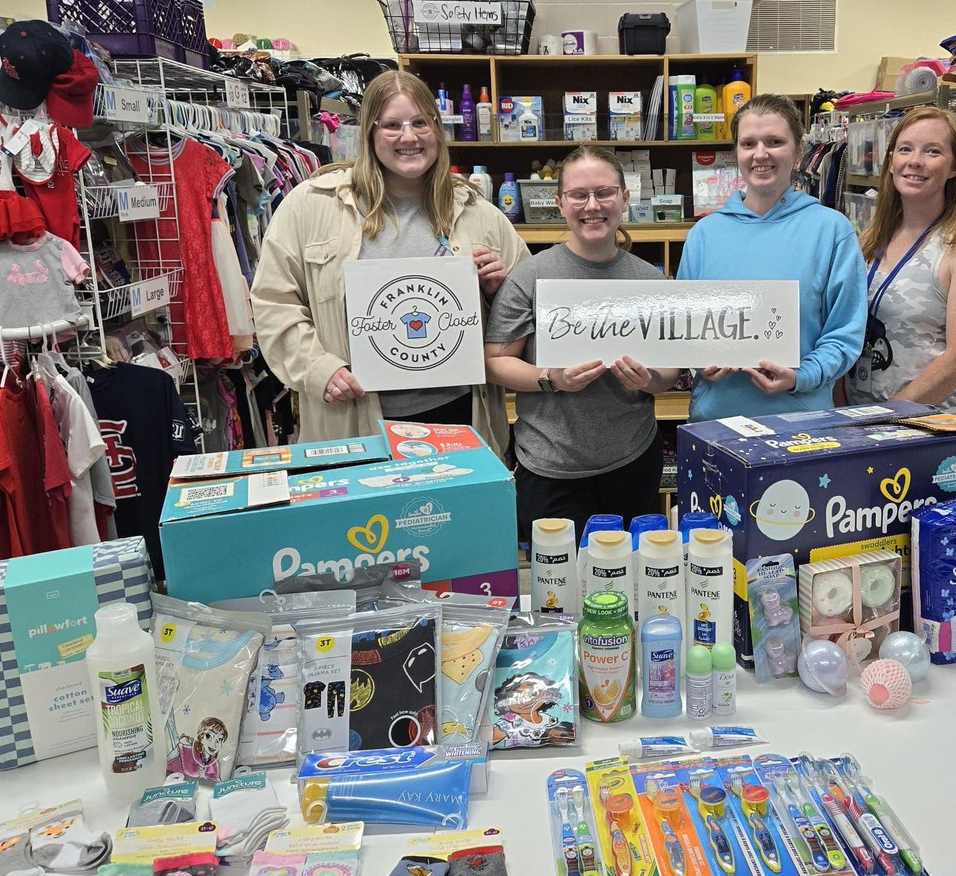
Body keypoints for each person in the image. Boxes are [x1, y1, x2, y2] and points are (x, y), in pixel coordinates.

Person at [250, 70, 528, 454]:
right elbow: (273, 302)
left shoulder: (478, 212)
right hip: (354, 421)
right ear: (370, 132)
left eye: (421, 123)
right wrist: (317, 368)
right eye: (392, 125)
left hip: (462, 417)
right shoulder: (310, 206)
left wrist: (497, 293)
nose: (409, 137)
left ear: (437, 129)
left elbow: (526, 309)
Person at [484, 146, 679, 537]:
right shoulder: (530, 277)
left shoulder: (650, 281)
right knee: (560, 573)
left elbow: (669, 373)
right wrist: (552, 379)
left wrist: (650, 380)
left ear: (625, 198)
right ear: (560, 203)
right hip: (549, 466)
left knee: (626, 568)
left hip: (632, 460)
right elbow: (496, 362)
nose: (592, 205)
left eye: (604, 192)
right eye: (578, 195)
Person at [676, 94, 866, 422]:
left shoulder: (832, 231)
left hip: (801, 423)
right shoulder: (704, 235)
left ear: (799, 151)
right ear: (736, 152)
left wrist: (802, 376)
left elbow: (845, 332)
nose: (760, 154)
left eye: (775, 142)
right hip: (715, 421)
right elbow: (685, 326)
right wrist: (698, 360)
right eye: (748, 143)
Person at [844, 107, 956, 420]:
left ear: (955, 167)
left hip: (931, 427)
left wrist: (886, 415)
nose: (915, 161)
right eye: (905, 149)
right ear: (890, 162)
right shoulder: (871, 238)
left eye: (932, 151)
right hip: (861, 421)